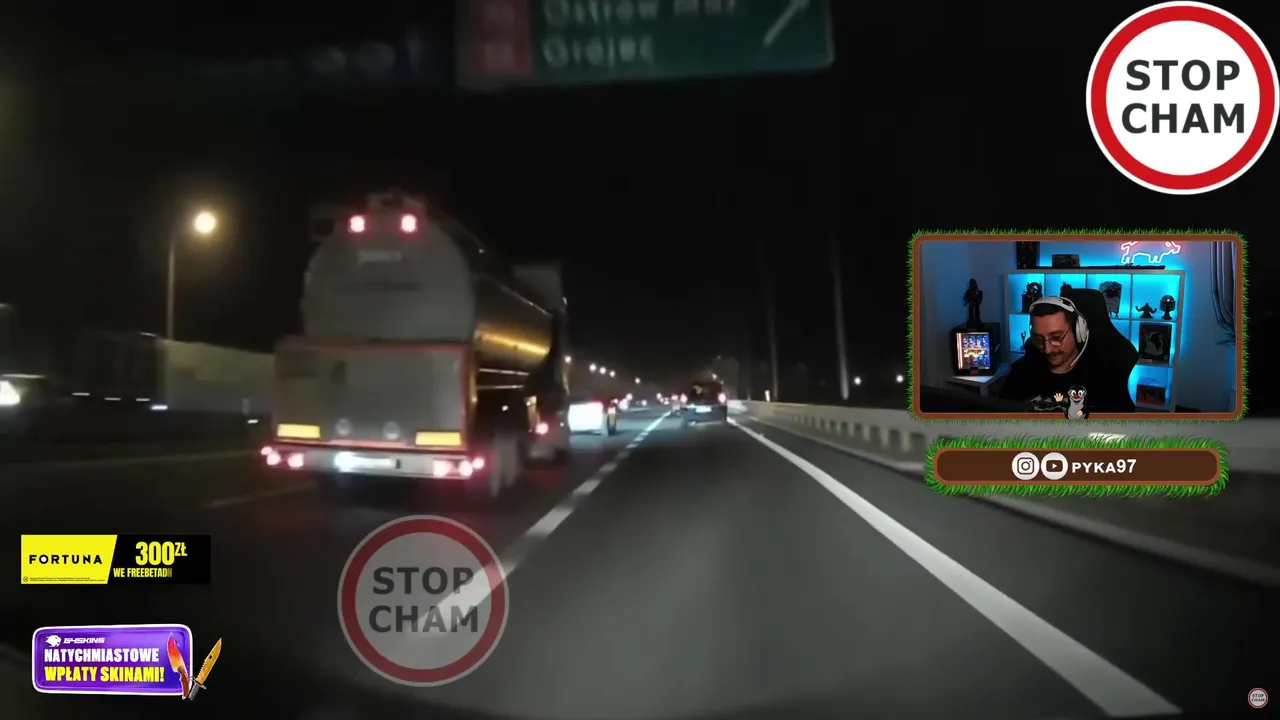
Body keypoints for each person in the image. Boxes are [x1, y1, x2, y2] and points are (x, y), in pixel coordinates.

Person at [999, 295, 1136, 413]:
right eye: (1038, 339)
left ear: (1078, 332)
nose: (1047, 350)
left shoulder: (1105, 377)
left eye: (1056, 338)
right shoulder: (1020, 372)